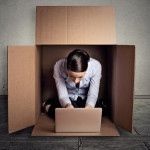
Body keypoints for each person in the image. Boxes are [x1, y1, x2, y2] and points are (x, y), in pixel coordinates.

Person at [42, 49, 102, 119]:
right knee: (69, 116)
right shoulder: (58, 66)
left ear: (87, 69)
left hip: (85, 98)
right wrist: (68, 106)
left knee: (96, 114)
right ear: (67, 69)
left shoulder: (96, 66)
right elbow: (63, 95)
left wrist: (89, 108)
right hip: (69, 97)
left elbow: (92, 94)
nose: (76, 81)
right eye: (72, 76)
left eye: (80, 77)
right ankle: (48, 107)